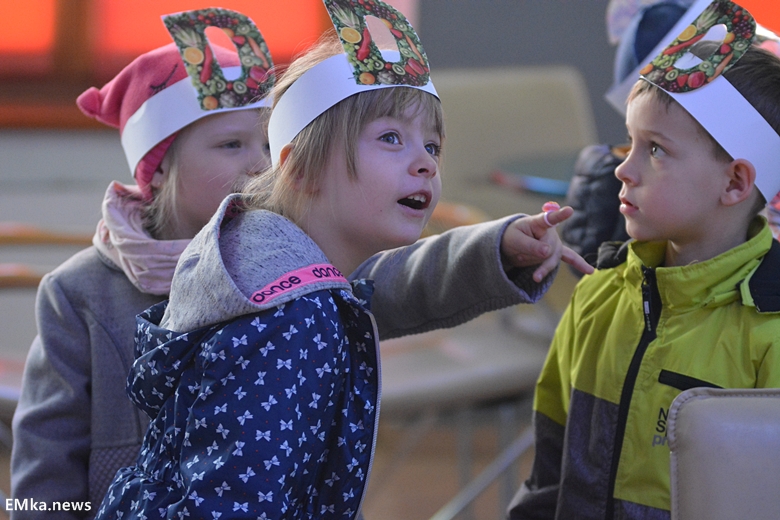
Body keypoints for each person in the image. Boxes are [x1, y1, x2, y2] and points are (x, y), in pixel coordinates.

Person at [12, 6, 591, 519]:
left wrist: (494, 247)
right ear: (157, 169)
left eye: (265, 144)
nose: (259, 164)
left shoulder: (290, 261)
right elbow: (45, 462)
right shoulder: (84, 292)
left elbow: (399, 280)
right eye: (230, 145)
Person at [507, 1, 780, 518]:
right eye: (629, 143)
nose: (623, 170)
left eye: (655, 149)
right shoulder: (597, 295)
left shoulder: (770, 331)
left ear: (736, 182)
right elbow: (548, 476)